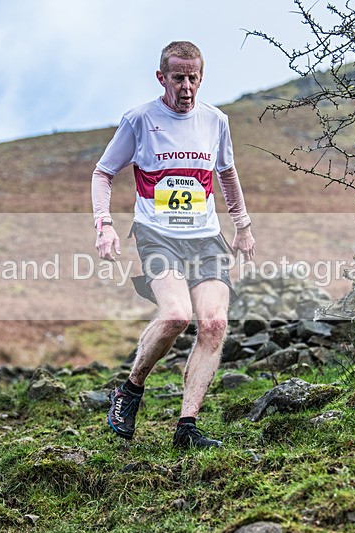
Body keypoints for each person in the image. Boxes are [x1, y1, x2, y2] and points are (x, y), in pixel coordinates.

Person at [92, 41, 255, 449]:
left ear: (202, 77)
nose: (186, 87)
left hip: (205, 237)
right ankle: (130, 390)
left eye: (193, 78)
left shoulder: (216, 120)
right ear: (161, 77)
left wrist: (243, 226)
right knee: (177, 316)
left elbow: (227, 174)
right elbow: (103, 172)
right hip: (158, 235)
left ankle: (187, 427)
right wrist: (104, 225)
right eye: (178, 78)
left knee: (214, 324)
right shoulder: (139, 120)